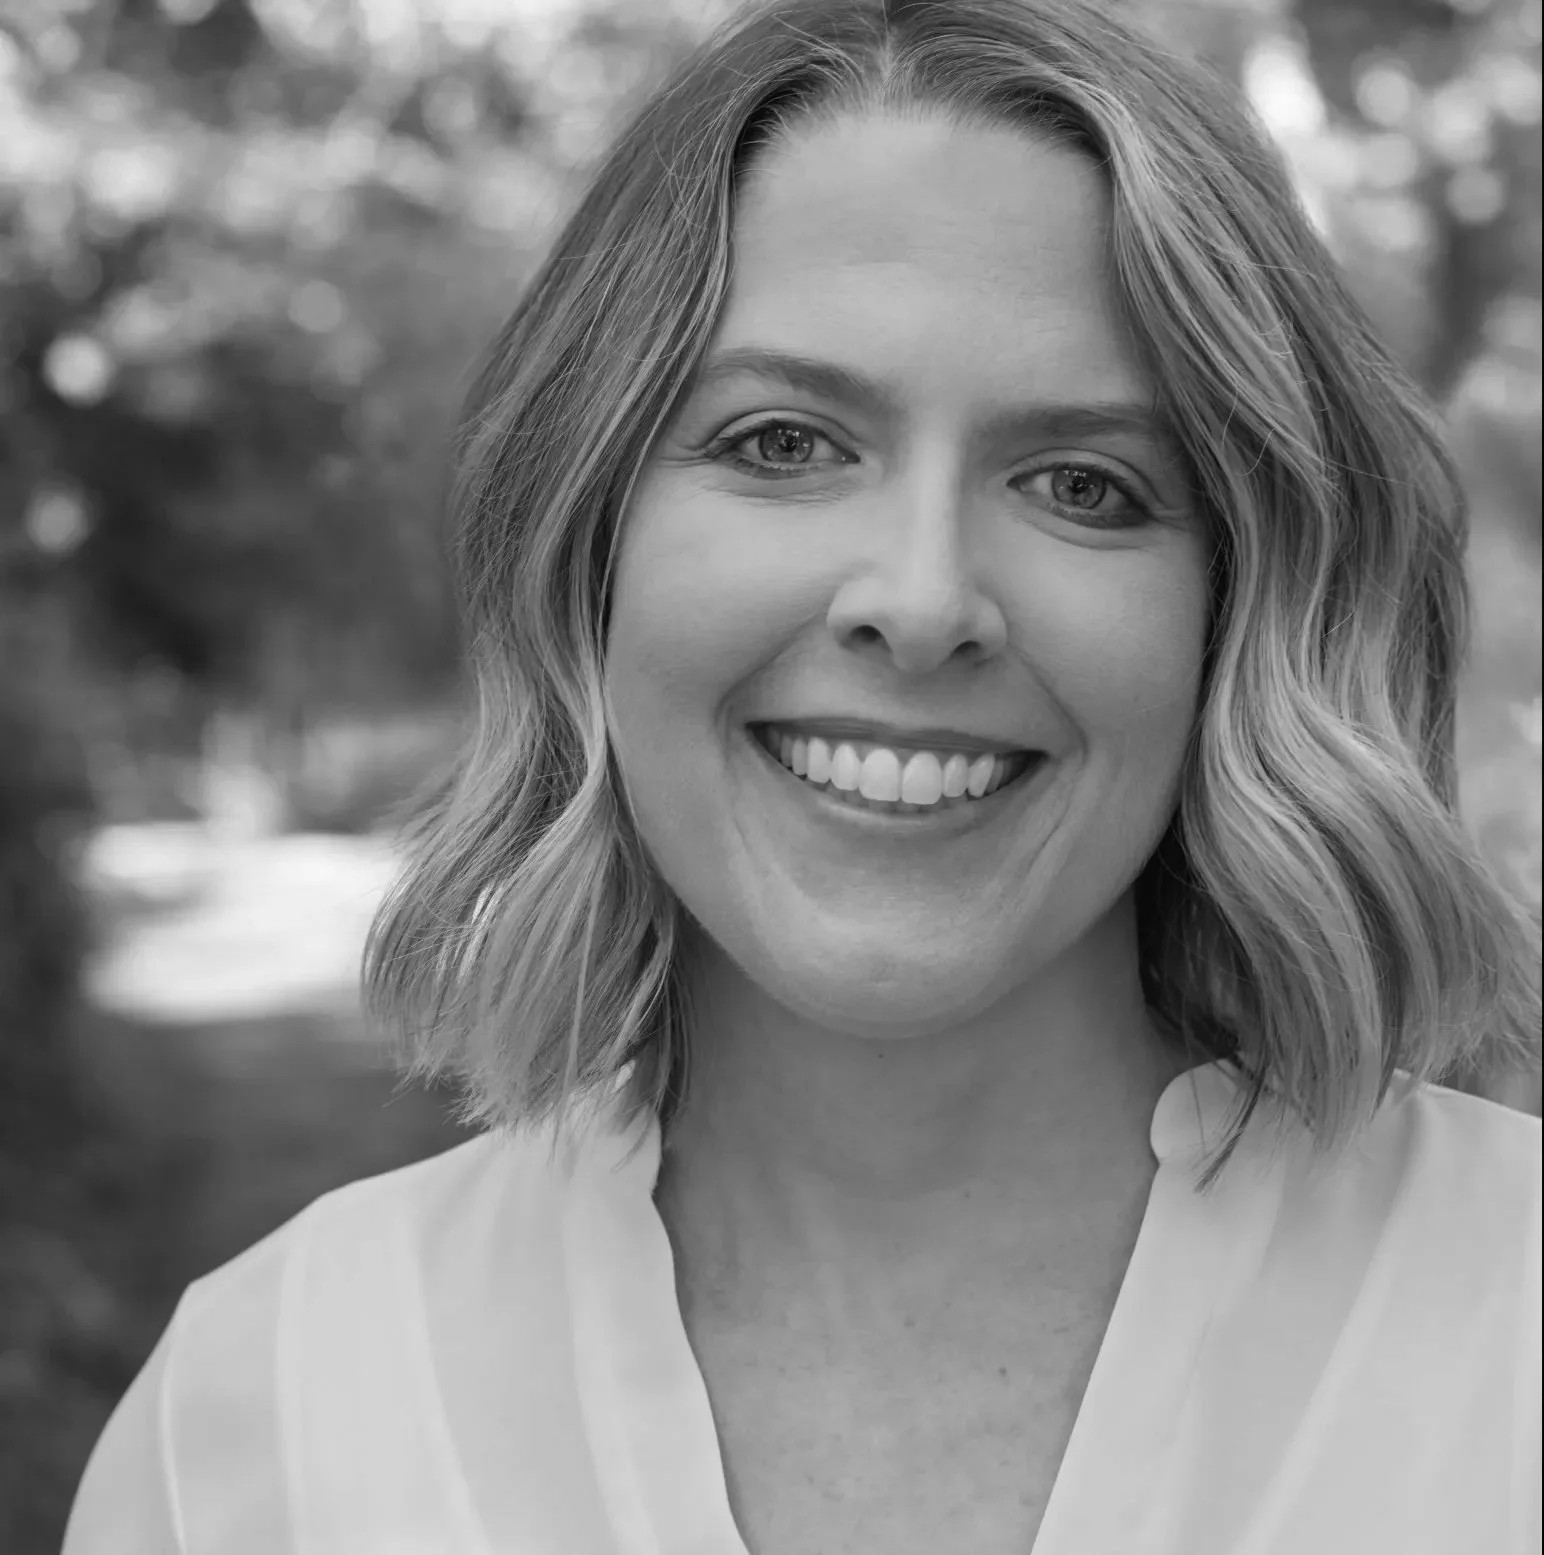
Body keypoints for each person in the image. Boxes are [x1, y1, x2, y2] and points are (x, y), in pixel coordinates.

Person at [63, 0, 1541, 1550]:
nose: (918, 600)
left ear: (1238, 613)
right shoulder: (260, 1425)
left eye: (1086, 484)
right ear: (587, 543)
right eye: (782, 443)